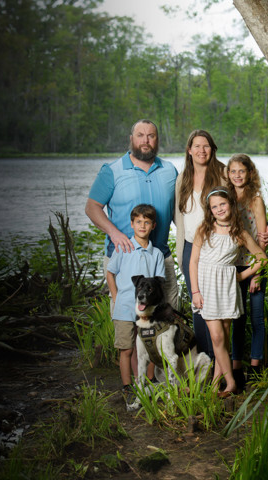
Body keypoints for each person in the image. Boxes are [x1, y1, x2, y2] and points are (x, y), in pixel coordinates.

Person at [86, 119, 179, 309]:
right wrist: (114, 233)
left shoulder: (170, 171)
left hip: (161, 257)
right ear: (131, 139)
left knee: (169, 320)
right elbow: (92, 207)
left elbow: (179, 212)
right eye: (140, 135)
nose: (146, 140)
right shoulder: (112, 170)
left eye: (151, 136)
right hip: (124, 257)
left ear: (157, 140)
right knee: (126, 322)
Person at [189, 187, 267, 397]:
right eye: (214, 207)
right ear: (210, 211)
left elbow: (261, 258)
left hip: (227, 286)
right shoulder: (203, 230)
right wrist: (195, 291)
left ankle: (216, 383)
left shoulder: (239, 233)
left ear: (231, 204)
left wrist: (241, 276)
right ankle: (231, 381)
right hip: (206, 286)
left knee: (222, 338)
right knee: (216, 337)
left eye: (222, 204)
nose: (219, 209)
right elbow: (193, 261)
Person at [174, 130, 227, 360]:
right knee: (197, 303)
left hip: (215, 248)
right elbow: (179, 215)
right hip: (188, 248)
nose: (201, 150)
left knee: (217, 305)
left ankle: (221, 362)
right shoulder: (182, 177)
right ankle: (204, 360)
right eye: (196, 146)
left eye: (205, 146)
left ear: (212, 149)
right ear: (189, 150)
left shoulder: (223, 174)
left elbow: (234, 208)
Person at [105, 204, 165, 410]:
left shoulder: (156, 253)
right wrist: (116, 297)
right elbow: (110, 272)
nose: (142, 226)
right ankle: (127, 387)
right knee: (126, 349)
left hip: (147, 312)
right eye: (138, 222)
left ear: (153, 226)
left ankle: (148, 383)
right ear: (131, 224)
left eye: (146, 222)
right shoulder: (123, 247)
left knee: (149, 346)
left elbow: (158, 283)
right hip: (123, 309)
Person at [227, 154, 268, 389]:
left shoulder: (255, 199)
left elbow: (262, 237)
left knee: (256, 317)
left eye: (241, 171)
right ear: (228, 174)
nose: (237, 175)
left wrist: (258, 273)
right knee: (237, 318)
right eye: (233, 171)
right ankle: (236, 366)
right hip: (233, 265)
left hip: (254, 264)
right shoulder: (227, 197)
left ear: (249, 173)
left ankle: (255, 367)